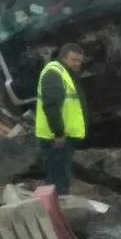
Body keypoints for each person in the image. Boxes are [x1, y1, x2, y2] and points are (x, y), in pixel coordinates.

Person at [35, 43, 88, 196]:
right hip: (56, 139)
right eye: (74, 60)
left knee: (59, 178)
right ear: (63, 57)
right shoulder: (54, 74)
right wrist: (58, 132)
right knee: (58, 181)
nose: (78, 64)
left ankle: (57, 209)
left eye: (80, 61)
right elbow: (51, 106)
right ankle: (57, 211)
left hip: (60, 138)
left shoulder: (64, 73)